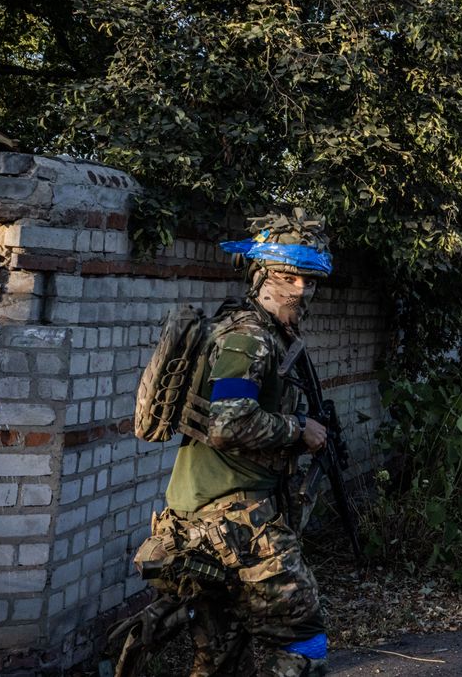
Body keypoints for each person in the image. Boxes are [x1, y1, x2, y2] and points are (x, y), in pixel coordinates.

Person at [133, 208, 333, 676]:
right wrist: (299, 430)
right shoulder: (248, 338)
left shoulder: (243, 330)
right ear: (261, 276)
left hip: (195, 516)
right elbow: (227, 423)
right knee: (306, 641)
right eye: (288, 276)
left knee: (220, 655)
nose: (299, 290)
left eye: (308, 279)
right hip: (237, 523)